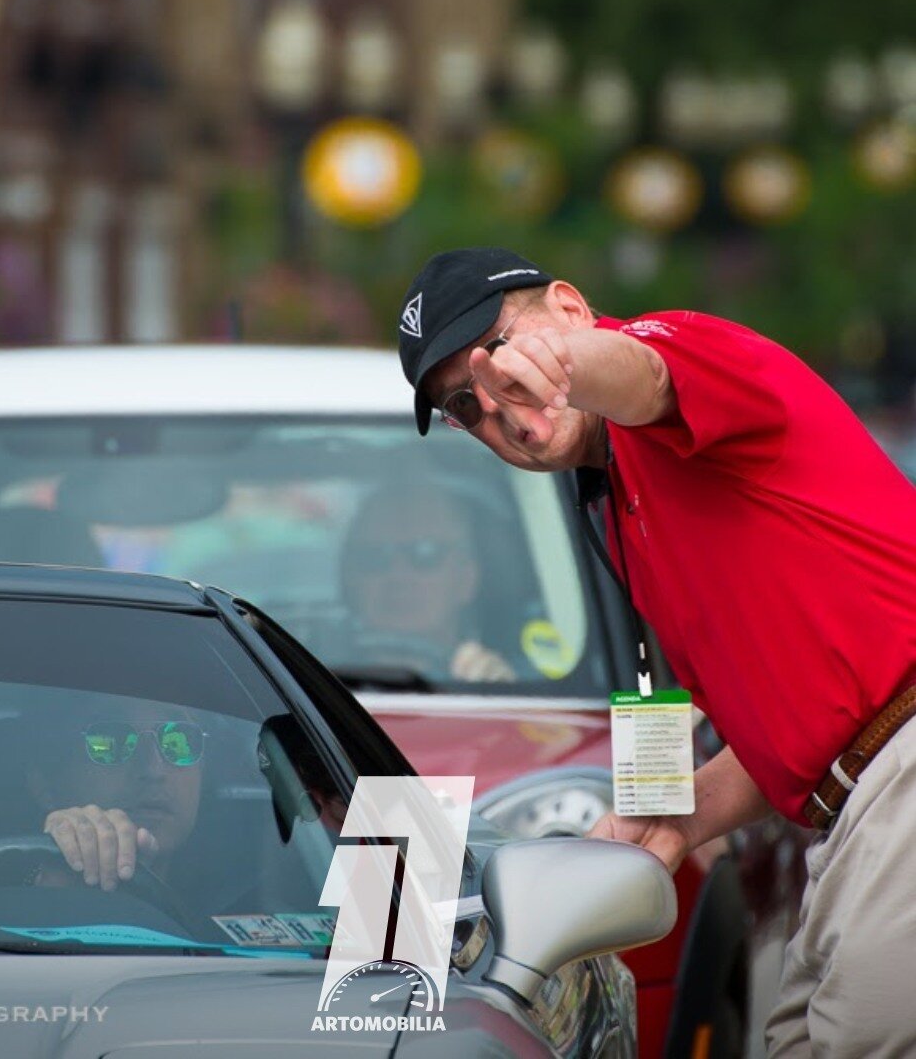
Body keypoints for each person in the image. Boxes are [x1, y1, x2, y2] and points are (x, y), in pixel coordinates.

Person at [395, 246, 916, 1057]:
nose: (502, 401)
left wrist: (559, 363)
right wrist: (683, 809)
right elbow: (817, 719)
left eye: (503, 352)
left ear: (570, 309)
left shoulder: (683, 346)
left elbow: (646, 374)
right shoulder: (616, 498)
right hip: (853, 809)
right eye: (467, 403)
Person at [339, 480, 516, 683]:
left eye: (426, 554)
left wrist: (492, 691)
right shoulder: (308, 682)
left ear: (466, 578)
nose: (399, 576)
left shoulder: (523, 685)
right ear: (350, 579)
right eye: (375, 557)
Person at [25, 697, 204, 893]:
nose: (153, 770)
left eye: (178, 741)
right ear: (46, 786)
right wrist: (50, 890)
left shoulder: (237, 900)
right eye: (111, 742)